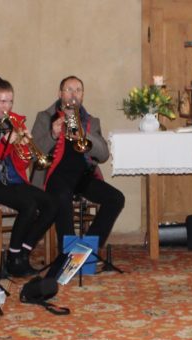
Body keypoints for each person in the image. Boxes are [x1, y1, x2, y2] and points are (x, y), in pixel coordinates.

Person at [0, 76, 58, 277]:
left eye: (10, 101)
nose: (6, 106)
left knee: (52, 204)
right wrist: (6, 142)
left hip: (13, 180)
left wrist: (23, 146)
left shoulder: (15, 121)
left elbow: (22, 163)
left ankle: (20, 254)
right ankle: (13, 258)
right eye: (2, 101)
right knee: (29, 205)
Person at [30, 76, 124, 249]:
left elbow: (103, 155)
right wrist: (52, 134)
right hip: (54, 175)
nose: (74, 95)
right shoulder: (44, 117)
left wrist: (84, 135)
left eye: (78, 90)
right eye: (69, 90)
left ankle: (87, 250)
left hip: (83, 178)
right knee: (62, 197)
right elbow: (33, 153)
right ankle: (69, 253)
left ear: (82, 96)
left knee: (116, 198)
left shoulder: (91, 121)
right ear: (60, 93)